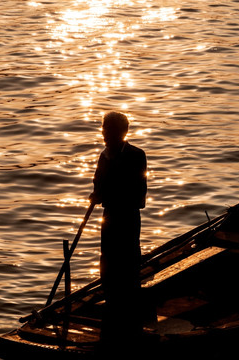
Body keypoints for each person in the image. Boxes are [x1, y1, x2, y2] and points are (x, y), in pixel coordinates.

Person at [89, 111, 147, 350]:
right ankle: (111, 308)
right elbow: (98, 187)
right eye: (103, 129)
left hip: (128, 218)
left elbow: (138, 196)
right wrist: (97, 194)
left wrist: (109, 192)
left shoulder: (136, 156)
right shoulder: (104, 157)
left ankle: (130, 319)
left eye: (108, 130)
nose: (103, 134)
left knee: (129, 264)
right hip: (110, 217)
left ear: (121, 133)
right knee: (109, 265)